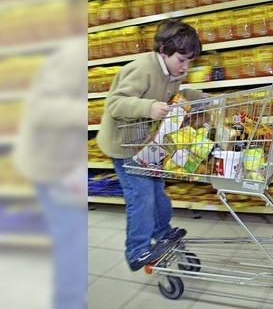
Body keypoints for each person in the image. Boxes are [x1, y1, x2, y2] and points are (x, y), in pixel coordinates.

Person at [97, 18, 207, 271]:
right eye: (182, 59)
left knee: (157, 190)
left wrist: (201, 99)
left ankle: (162, 231)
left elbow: (174, 97)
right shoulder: (142, 69)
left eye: (190, 61)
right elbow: (115, 104)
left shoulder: (173, 71)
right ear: (163, 51)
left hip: (145, 142)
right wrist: (148, 107)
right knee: (141, 196)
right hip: (123, 145)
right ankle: (137, 250)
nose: (185, 67)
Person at [13, 35, 88, 309]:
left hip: (65, 162)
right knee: (72, 241)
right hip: (50, 165)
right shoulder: (74, 55)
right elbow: (42, 110)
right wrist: (87, 112)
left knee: (72, 239)